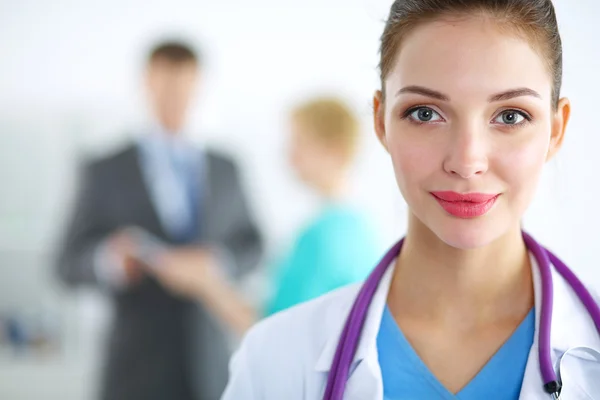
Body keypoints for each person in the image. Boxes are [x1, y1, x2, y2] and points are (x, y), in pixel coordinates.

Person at [221, 1, 600, 399]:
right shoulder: (275, 358)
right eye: (425, 113)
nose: (467, 161)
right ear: (381, 122)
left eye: (510, 116)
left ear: (556, 131)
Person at [56, 40, 262, 400]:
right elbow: (65, 262)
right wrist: (110, 260)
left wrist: (214, 264)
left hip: (211, 366)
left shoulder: (226, 167)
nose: (177, 100)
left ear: (199, 86)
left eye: (185, 88)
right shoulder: (104, 168)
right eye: (167, 88)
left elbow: (253, 244)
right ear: (147, 83)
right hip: (135, 368)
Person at [156, 97, 382, 336]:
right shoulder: (361, 229)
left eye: (300, 142)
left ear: (335, 150)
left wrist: (207, 283)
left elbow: (275, 331)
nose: (290, 155)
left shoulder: (323, 236)